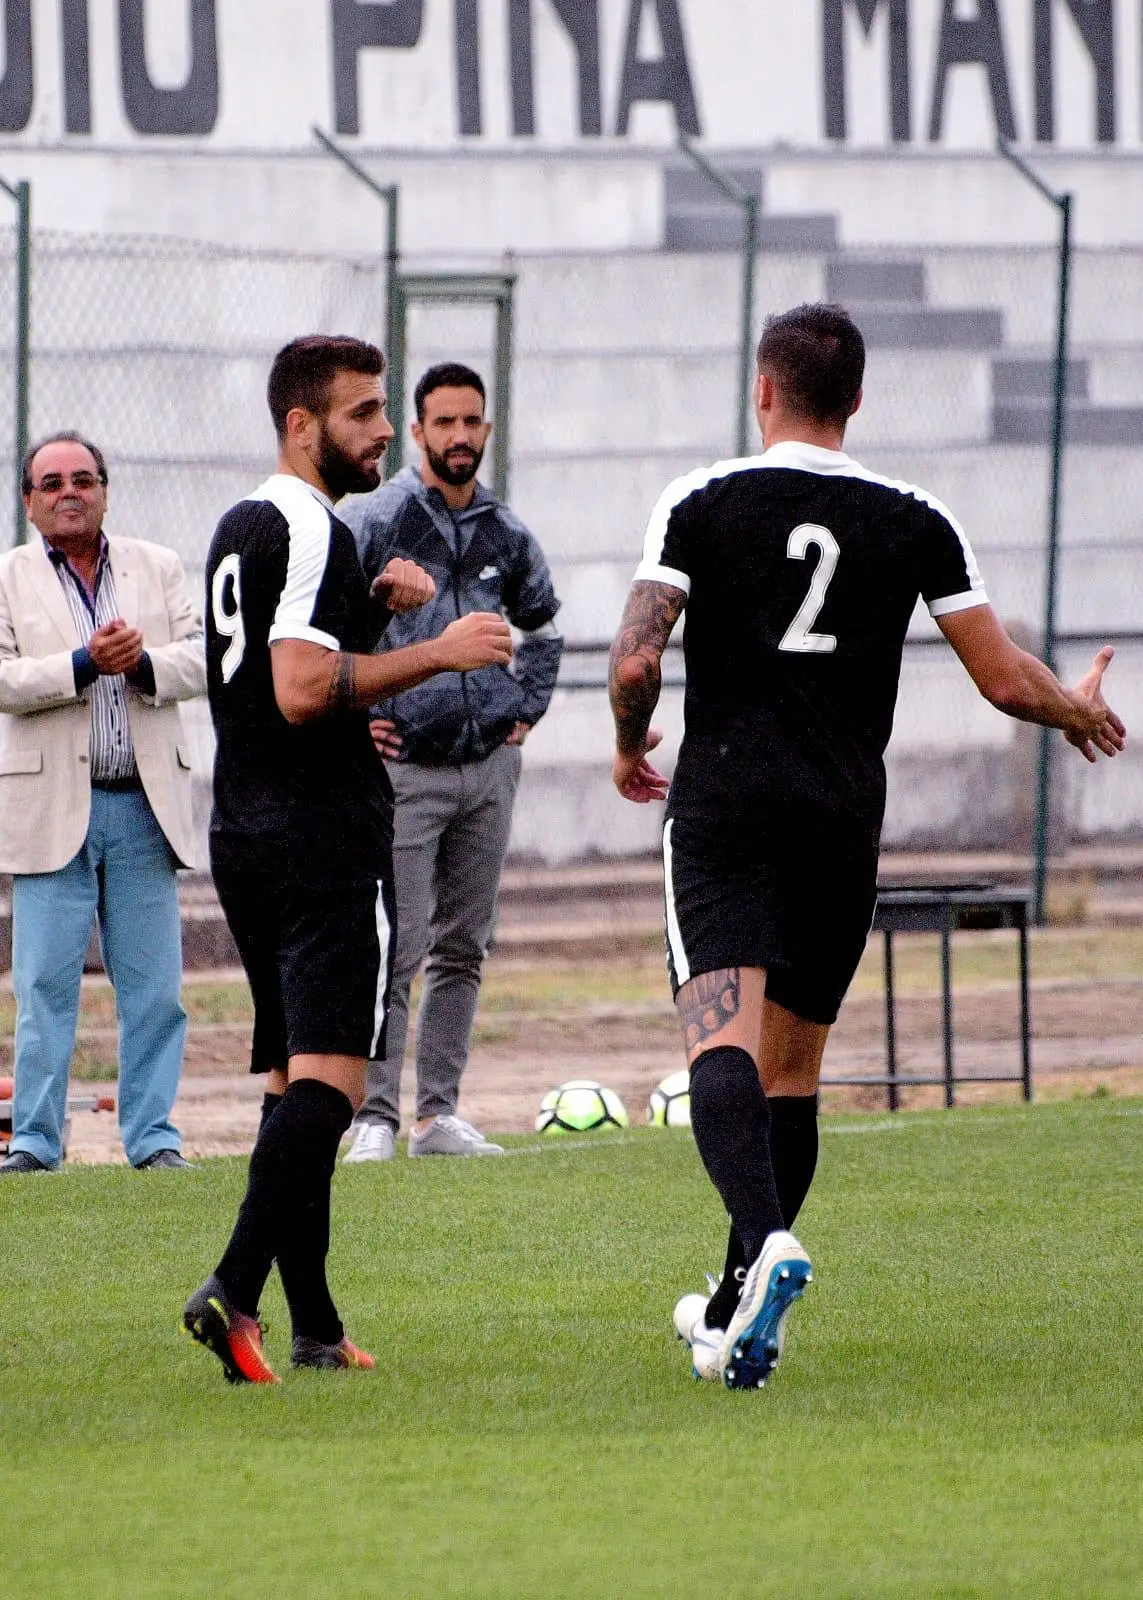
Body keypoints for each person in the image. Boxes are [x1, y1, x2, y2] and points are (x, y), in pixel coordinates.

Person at [607, 302, 1125, 1391]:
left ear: (762, 389)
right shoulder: (915, 516)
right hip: (842, 822)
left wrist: (626, 739)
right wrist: (1076, 711)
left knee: (719, 1044)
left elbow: (635, 662)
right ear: (856, 400)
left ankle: (765, 1245)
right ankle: (738, 1306)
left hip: (727, 811)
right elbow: (1002, 677)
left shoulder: (700, 499)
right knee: (792, 1070)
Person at [183, 336, 512, 1384]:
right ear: (301, 424)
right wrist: (439, 649)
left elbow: (277, 677)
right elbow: (299, 688)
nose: (380, 431)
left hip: (245, 831)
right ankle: (233, 1287)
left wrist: (372, 606)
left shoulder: (243, 522)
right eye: (363, 412)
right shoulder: (313, 526)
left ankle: (315, 1327)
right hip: (322, 835)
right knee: (336, 1085)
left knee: (293, 1087)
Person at [338, 362, 561, 1163]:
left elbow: (543, 626)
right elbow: (329, 630)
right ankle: (373, 1116)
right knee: (394, 948)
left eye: (471, 422)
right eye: (444, 422)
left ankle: (437, 1117)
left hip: (487, 770)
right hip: (403, 773)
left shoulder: (506, 529)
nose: (459, 436)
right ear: (418, 430)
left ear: (486, 429)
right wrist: (359, 717)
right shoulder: (379, 518)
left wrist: (523, 708)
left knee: (464, 946)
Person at [0, 432, 206, 1175]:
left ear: (105, 491)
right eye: (52, 483)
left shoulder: (158, 565)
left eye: (83, 479)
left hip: (143, 807)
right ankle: (34, 1142)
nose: (70, 493)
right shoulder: (9, 577)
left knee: (155, 992)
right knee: (43, 989)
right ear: (30, 502)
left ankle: (153, 1139)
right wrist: (83, 664)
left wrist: (143, 664)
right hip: (50, 807)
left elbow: (205, 658)